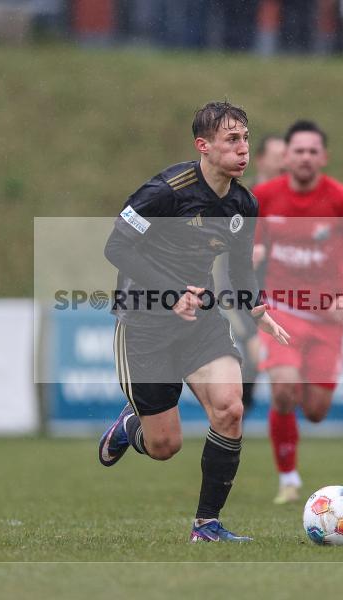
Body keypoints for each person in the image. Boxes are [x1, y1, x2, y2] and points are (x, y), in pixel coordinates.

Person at [98, 101, 289, 542]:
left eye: (246, 139)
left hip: (200, 322)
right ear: (203, 147)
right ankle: (132, 426)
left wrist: (258, 310)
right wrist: (171, 293)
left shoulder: (244, 203)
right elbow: (117, 248)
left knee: (230, 407)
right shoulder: (166, 191)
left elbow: (241, 271)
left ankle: (206, 525)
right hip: (143, 324)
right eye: (232, 140)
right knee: (165, 446)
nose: (243, 150)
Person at [253, 120, 343, 504]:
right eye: (298, 150)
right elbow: (242, 242)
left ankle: (294, 424)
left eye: (313, 151)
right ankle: (289, 478)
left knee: (314, 411)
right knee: (283, 390)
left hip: (326, 320)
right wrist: (250, 255)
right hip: (279, 312)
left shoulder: (341, 200)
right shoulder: (264, 196)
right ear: (287, 156)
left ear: (324, 157)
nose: (305, 157)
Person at [212, 134, 287, 415]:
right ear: (262, 159)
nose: (284, 161)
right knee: (257, 353)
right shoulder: (242, 197)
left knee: (267, 362)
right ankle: (233, 413)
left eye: (286, 156)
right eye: (278, 155)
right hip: (236, 288)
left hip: (276, 291)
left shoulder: (291, 201)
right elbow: (217, 237)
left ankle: (236, 413)